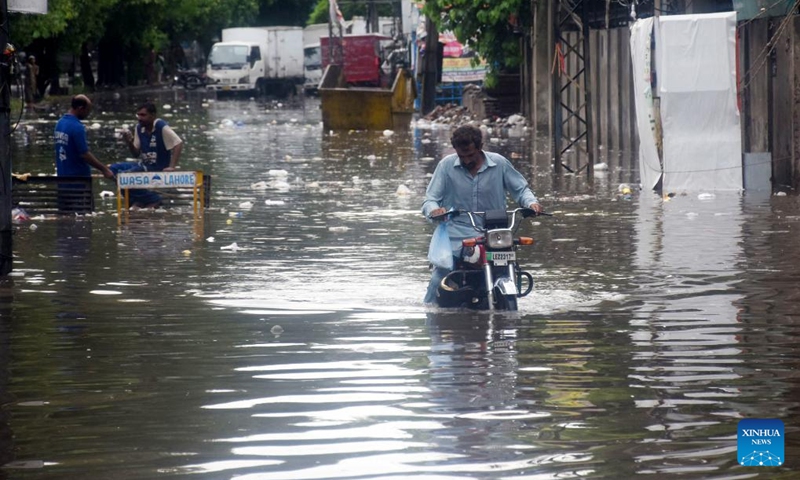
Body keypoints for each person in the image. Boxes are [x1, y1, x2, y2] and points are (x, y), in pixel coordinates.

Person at [421, 124, 544, 304]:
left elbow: (521, 189)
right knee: (439, 276)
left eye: (470, 155)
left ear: (479, 148)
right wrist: (434, 210)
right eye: (461, 156)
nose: (466, 160)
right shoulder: (446, 166)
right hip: (457, 235)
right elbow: (430, 199)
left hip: (494, 233)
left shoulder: (499, 163)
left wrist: (531, 203)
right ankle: (430, 312)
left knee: (509, 265)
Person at [110, 102, 184, 208]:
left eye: (143, 115)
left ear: (152, 115)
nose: (139, 118)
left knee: (124, 176)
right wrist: (129, 142)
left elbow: (178, 143)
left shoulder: (160, 126)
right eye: (138, 115)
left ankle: (152, 199)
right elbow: (136, 153)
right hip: (143, 166)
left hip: (156, 168)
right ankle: (140, 199)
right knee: (113, 169)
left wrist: (172, 166)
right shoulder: (139, 128)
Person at [54, 95, 115, 179]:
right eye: (87, 110)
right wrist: (104, 169)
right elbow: (84, 154)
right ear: (80, 108)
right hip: (78, 179)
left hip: (62, 176)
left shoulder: (59, 123)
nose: (88, 113)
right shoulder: (77, 127)